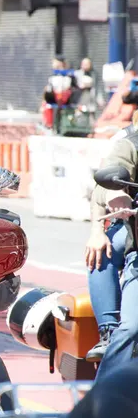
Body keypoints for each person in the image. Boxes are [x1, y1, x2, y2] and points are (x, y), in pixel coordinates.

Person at [84, 117, 136, 361]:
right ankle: (108, 330)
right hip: (132, 225)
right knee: (103, 248)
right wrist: (117, 196)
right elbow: (103, 187)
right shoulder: (129, 142)